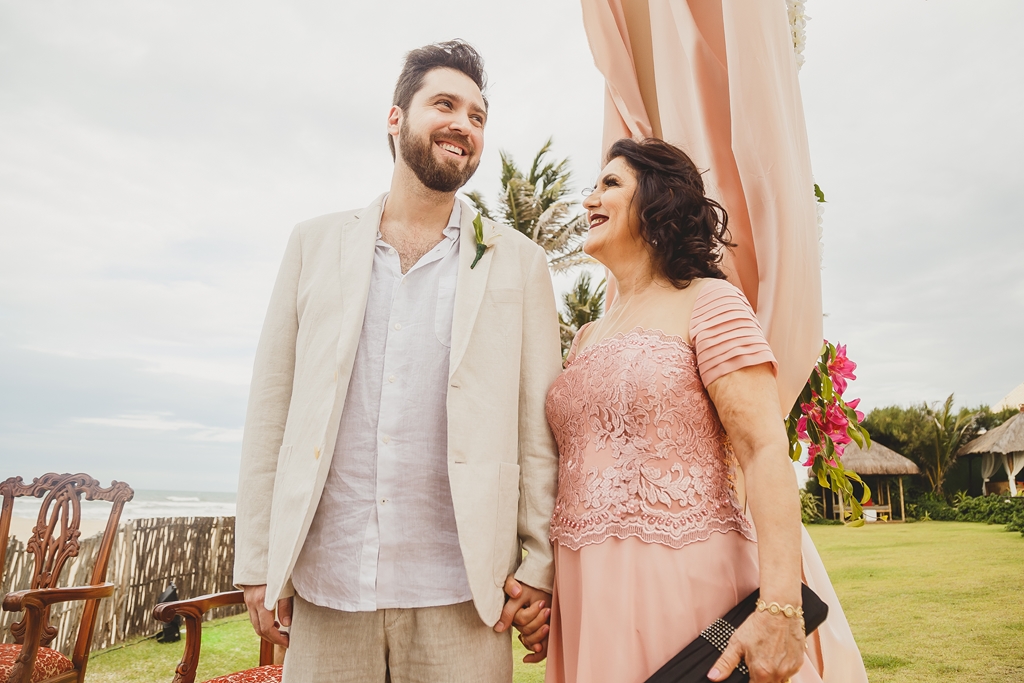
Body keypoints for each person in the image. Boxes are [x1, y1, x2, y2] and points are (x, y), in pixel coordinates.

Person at [232, 40, 562, 682]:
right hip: (329, 587)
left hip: (466, 593)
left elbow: (537, 430)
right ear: (395, 118)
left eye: (477, 116)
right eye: (445, 104)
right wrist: (257, 566)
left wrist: (539, 566)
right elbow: (271, 412)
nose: (463, 125)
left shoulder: (520, 263)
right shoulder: (312, 244)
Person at [531, 137, 867, 683]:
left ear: (657, 203)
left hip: (686, 587)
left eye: (610, 184)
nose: (590, 198)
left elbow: (763, 450)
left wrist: (781, 605)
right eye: (594, 185)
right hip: (589, 592)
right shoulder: (586, 336)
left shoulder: (710, 302)